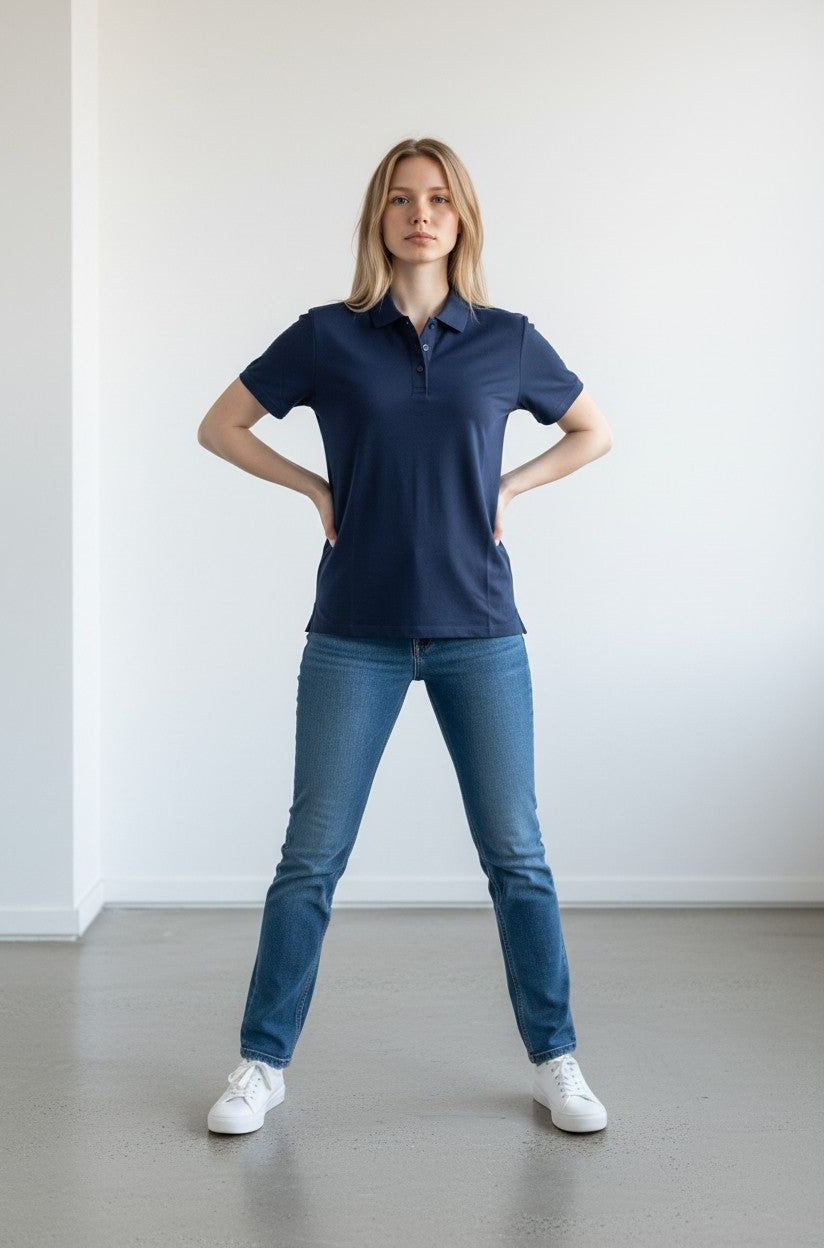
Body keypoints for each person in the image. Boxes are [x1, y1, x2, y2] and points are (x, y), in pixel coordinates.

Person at [198, 137, 613, 1136]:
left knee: (516, 854)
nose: (419, 214)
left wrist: (509, 486)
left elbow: (592, 429)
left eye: (436, 199)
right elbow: (223, 425)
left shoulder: (506, 339)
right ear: (377, 219)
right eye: (400, 199)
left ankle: (557, 1060)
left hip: (479, 627)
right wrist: (311, 486)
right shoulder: (328, 337)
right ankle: (261, 1065)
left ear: (460, 218)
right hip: (355, 631)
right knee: (312, 856)